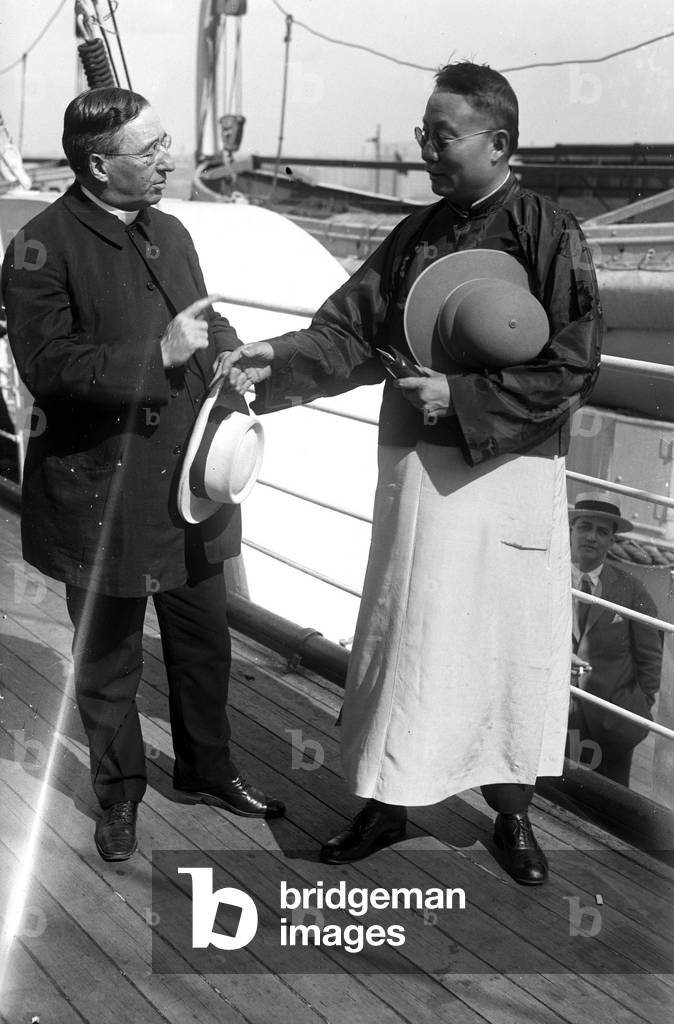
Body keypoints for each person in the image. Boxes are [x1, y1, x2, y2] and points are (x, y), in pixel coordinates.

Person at [218, 61, 602, 885]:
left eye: (443, 136)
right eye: (424, 134)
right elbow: (350, 334)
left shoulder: (550, 233)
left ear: (498, 143)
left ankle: (512, 814)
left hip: (512, 471)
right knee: (405, 636)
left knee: (505, 646)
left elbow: (575, 364)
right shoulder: (414, 236)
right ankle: (386, 801)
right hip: (418, 471)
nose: (427, 149)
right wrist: (275, 357)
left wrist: (461, 395)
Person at [1, 87, 284, 862]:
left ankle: (207, 768)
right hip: (104, 491)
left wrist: (230, 353)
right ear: (99, 164)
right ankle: (120, 793)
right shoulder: (40, 246)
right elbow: (47, 366)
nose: (169, 159)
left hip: (189, 482)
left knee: (204, 641)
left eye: (165, 143)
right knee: (108, 657)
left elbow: (205, 317)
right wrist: (156, 356)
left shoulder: (172, 230)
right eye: (151, 148)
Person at [568, 493, 663, 787]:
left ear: (612, 540)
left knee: (610, 803)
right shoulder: (548, 578)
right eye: (585, 526)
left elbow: (650, 657)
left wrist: (638, 705)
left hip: (612, 722)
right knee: (552, 796)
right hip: (556, 716)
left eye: (602, 531)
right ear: (571, 529)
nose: (591, 537)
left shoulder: (631, 589)